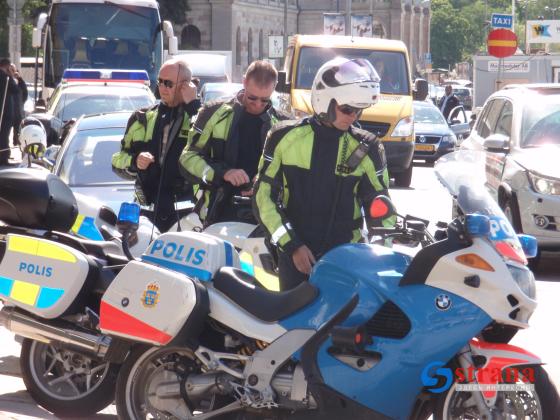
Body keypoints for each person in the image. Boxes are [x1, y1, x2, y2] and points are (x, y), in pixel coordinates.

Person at [253, 57, 394, 290]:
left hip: (347, 261)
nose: (353, 117)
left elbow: (382, 211)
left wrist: (378, 258)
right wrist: (293, 246)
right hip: (296, 259)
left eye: (359, 110)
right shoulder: (283, 138)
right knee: (295, 324)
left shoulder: (368, 148)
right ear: (324, 101)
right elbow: (263, 198)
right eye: (347, 109)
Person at [180, 60, 286, 226]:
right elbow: (187, 158)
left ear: (275, 87)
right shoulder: (213, 113)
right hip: (217, 213)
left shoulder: (283, 124)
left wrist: (263, 184)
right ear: (244, 82)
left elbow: (293, 176)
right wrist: (224, 173)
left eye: (265, 100)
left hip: (265, 219)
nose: (258, 104)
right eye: (252, 97)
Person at [112, 57, 200, 231]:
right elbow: (117, 160)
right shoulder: (141, 118)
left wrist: (193, 105)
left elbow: (205, 142)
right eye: (159, 81)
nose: (162, 87)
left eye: (168, 83)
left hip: (185, 218)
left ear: (185, 86)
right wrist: (135, 161)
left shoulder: (198, 117)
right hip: (145, 217)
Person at [0, 58, 18, 166]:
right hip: (5, 112)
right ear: (7, 66)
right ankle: (3, 157)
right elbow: (15, 90)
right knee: (4, 135)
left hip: (4, 111)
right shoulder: (6, 78)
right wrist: (11, 75)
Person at [9, 63, 28, 147]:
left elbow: (25, 94)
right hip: (8, 111)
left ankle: (15, 145)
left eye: (14, 70)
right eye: (11, 70)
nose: (13, 72)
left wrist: (20, 79)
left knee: (17, 133)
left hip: (17, 111)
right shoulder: (6, 79)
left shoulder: (20, 82)